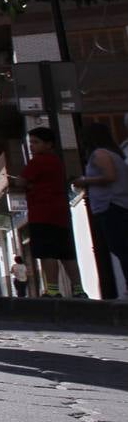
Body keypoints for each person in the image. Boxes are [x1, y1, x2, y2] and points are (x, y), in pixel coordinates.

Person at [12, 126, 85, 298]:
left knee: (47, 253)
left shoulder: (37, 161)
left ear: (49, 144)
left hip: (42, 212)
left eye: (36, 142)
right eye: (30, 142)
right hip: (60, 212)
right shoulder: (56, 162)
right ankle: (78, 289)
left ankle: (52, 289)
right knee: (67, 253)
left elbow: (20, 182)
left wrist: (29, 185)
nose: (32, 146)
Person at [72, 123, 128, 300]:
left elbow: (110, 176)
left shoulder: (99, 154)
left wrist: (84, 180)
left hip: (111, 205)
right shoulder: (114, 153)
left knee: (120, 248)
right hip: (117, 204)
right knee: (121, 248)